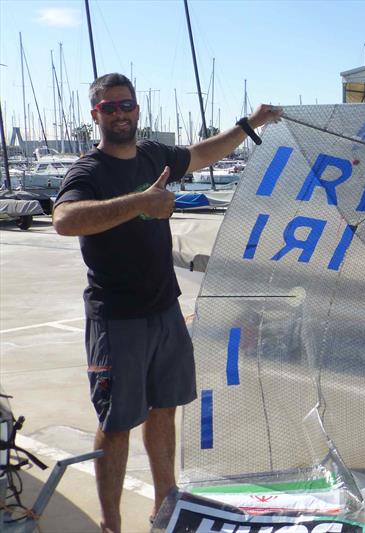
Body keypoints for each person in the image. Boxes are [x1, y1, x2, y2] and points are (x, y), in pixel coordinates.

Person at [52, 73, 282, 532]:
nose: (119, 114)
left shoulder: (155, 154)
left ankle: (165, 504)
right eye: (109, 107)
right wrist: (140, 203)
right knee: (118, 422)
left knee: (165, 407)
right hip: (118, 318)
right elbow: (64, 219)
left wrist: (250, 124)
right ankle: (111, 523)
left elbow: (200, 155)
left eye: (126, 105)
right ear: (95, 115)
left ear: (138, 109)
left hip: (165, 309)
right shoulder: (89, 170)